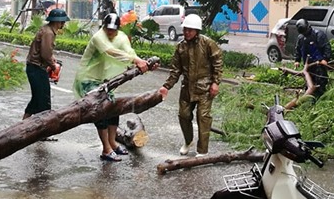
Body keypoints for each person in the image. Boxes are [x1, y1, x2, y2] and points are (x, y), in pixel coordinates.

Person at [73, 13, 150, 162]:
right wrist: (135, 60)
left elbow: (128, 52)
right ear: (103, 26)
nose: (110, 32)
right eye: (108, 29)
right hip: (87, 79)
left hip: (104, 81)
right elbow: (111, 52)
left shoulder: (120, 37)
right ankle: (106, 149)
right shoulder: (98, 37)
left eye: (113, 30)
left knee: (114, 107)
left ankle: (113, 143)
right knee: (100, 110)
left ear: (118, 29)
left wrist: (142, 62)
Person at [159, 14, 223, 156]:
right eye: (185, 29)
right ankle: (188, 141)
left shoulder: (208, 44)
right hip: (187, 87)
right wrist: (166, 86)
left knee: (203, 117)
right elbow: (175, 70)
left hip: (204, 87)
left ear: (197, 30)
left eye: (190, 30)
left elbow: (217, 63)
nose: (187, 32)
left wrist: (215, 82)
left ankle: (202, 150)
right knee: (183, 115)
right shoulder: (180, 47)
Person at [23, 8, 69, 119]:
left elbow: (45, 51)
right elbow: (45, 54)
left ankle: (22, 124)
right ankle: (41, 132)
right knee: (44, 103)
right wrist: (53, 66)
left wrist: (52, 59)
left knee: (36, 100)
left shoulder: (47, 30)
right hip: (37, 68)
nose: (63, 24)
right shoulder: (49, 33)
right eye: (62, 21)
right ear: (57, 21)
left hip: (34, 67)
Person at [293, 18, 332, 102]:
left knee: (320, 84)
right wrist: (297, 60)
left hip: (319, 64)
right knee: (309, 82)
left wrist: (325, 59)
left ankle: (321, 100)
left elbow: (327, 47)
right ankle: (309, 100)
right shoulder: (301, 38)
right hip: (308, 65)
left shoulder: (319, 35)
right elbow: (298, 49)